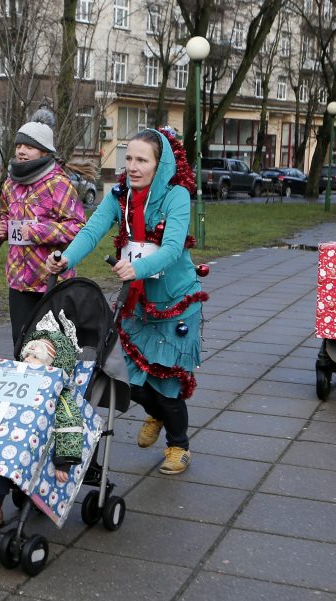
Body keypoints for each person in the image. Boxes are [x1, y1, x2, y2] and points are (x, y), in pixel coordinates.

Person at [46, 127, 206, 476]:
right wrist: (65, 259)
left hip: (174, 303)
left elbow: (172, 247)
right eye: (128, 158)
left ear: (159, 165)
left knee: (166, 383)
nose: (132, 167)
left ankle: (179, 445)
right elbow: (91, 230)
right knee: (127, 379)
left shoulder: (176, 196)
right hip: (135, 303)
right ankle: (159, 414)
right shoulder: (119, 196)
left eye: (142, 160)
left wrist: (137, 268)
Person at [0, 331, 80, 539]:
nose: (28, 360)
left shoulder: (59, 393)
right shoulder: (8, 380)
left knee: (1, 460)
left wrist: (65, 461)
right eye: (27, 355)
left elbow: (70, 426)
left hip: (19, 449)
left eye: (36, 357)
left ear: (52, 365)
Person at [0, 107, 86, 347]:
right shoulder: (10, 183)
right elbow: (6, 215)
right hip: (19, 281)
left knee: (51, 346)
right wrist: (1, 229)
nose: (21, 151)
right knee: (21, 344)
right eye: (18, 146)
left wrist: (37, 231)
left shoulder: (59, 184)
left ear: (44, 152)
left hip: (52, 281)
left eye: (29, 147)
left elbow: (78, 227)